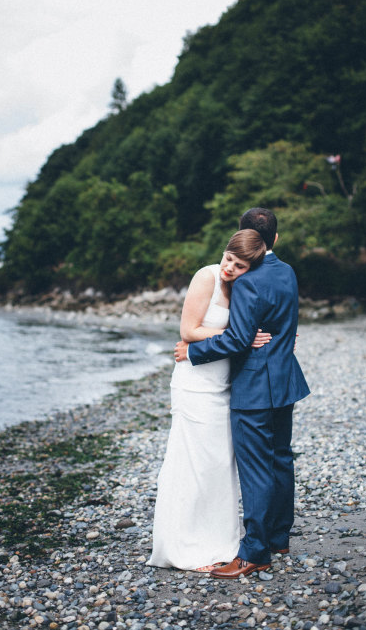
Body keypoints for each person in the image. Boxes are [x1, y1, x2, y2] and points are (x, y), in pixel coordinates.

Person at [174, 207, 310, 579]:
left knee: (256, 468)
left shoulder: (248, 281)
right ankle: (279, 536)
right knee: (281, 458)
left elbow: (237, 339)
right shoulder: (286, 270)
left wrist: (192, 351)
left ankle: (255, 552)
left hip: (254, 385)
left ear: (242, 237)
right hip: (285, 379)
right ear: (274, 240)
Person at [149, 228, 270, 571]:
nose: (230, 268)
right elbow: (188, 331)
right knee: (194, 465)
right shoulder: (208, 276)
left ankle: (219, 541)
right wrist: (240, 337)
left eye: (240, 265)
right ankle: (185, 548)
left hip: (222, 387)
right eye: (229, 259)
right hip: (194, 384)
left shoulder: (244, 288)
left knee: (218, 466)